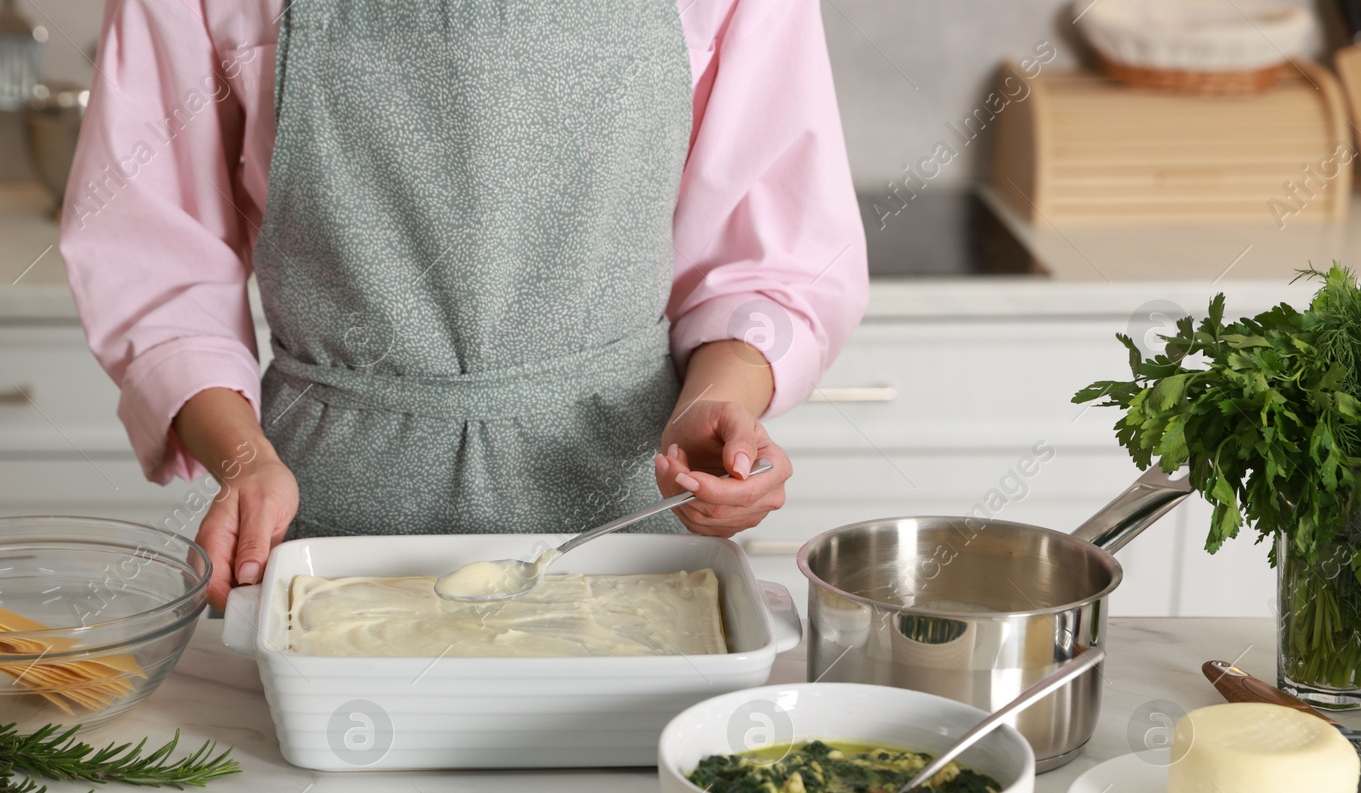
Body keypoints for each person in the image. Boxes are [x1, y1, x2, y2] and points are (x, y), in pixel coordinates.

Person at [61, 0, 868, 610]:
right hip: (322, 533)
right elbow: (156, 258)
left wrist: (720, 406)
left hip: (629, 523)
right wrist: (243, 458)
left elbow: (764, 260)